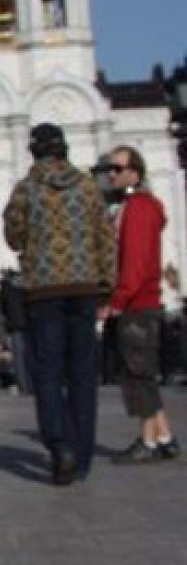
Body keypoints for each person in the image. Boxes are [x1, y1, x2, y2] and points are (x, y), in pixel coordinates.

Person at [3, 122, 114, 483]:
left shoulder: (26, 189)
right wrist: (105, 285)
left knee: (48, 372)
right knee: (83, 372)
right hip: (84, 287)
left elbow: (14, 237)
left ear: (34, 151)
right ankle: (82, 457)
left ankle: (59, 443)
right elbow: (105, 235)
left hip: (44, 291)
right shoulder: (87, 187)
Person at [102, 144, 180, 462]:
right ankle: (164, 436)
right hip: (142, 300)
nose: (111, 174)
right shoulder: (135, 206)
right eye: (109, 169)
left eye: (117, 169)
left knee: (137, 374)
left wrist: (118, 300)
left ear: (135, 171)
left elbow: (134, 262)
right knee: (142, 371)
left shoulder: (138, 208)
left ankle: (147, 441)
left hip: (137, 303)